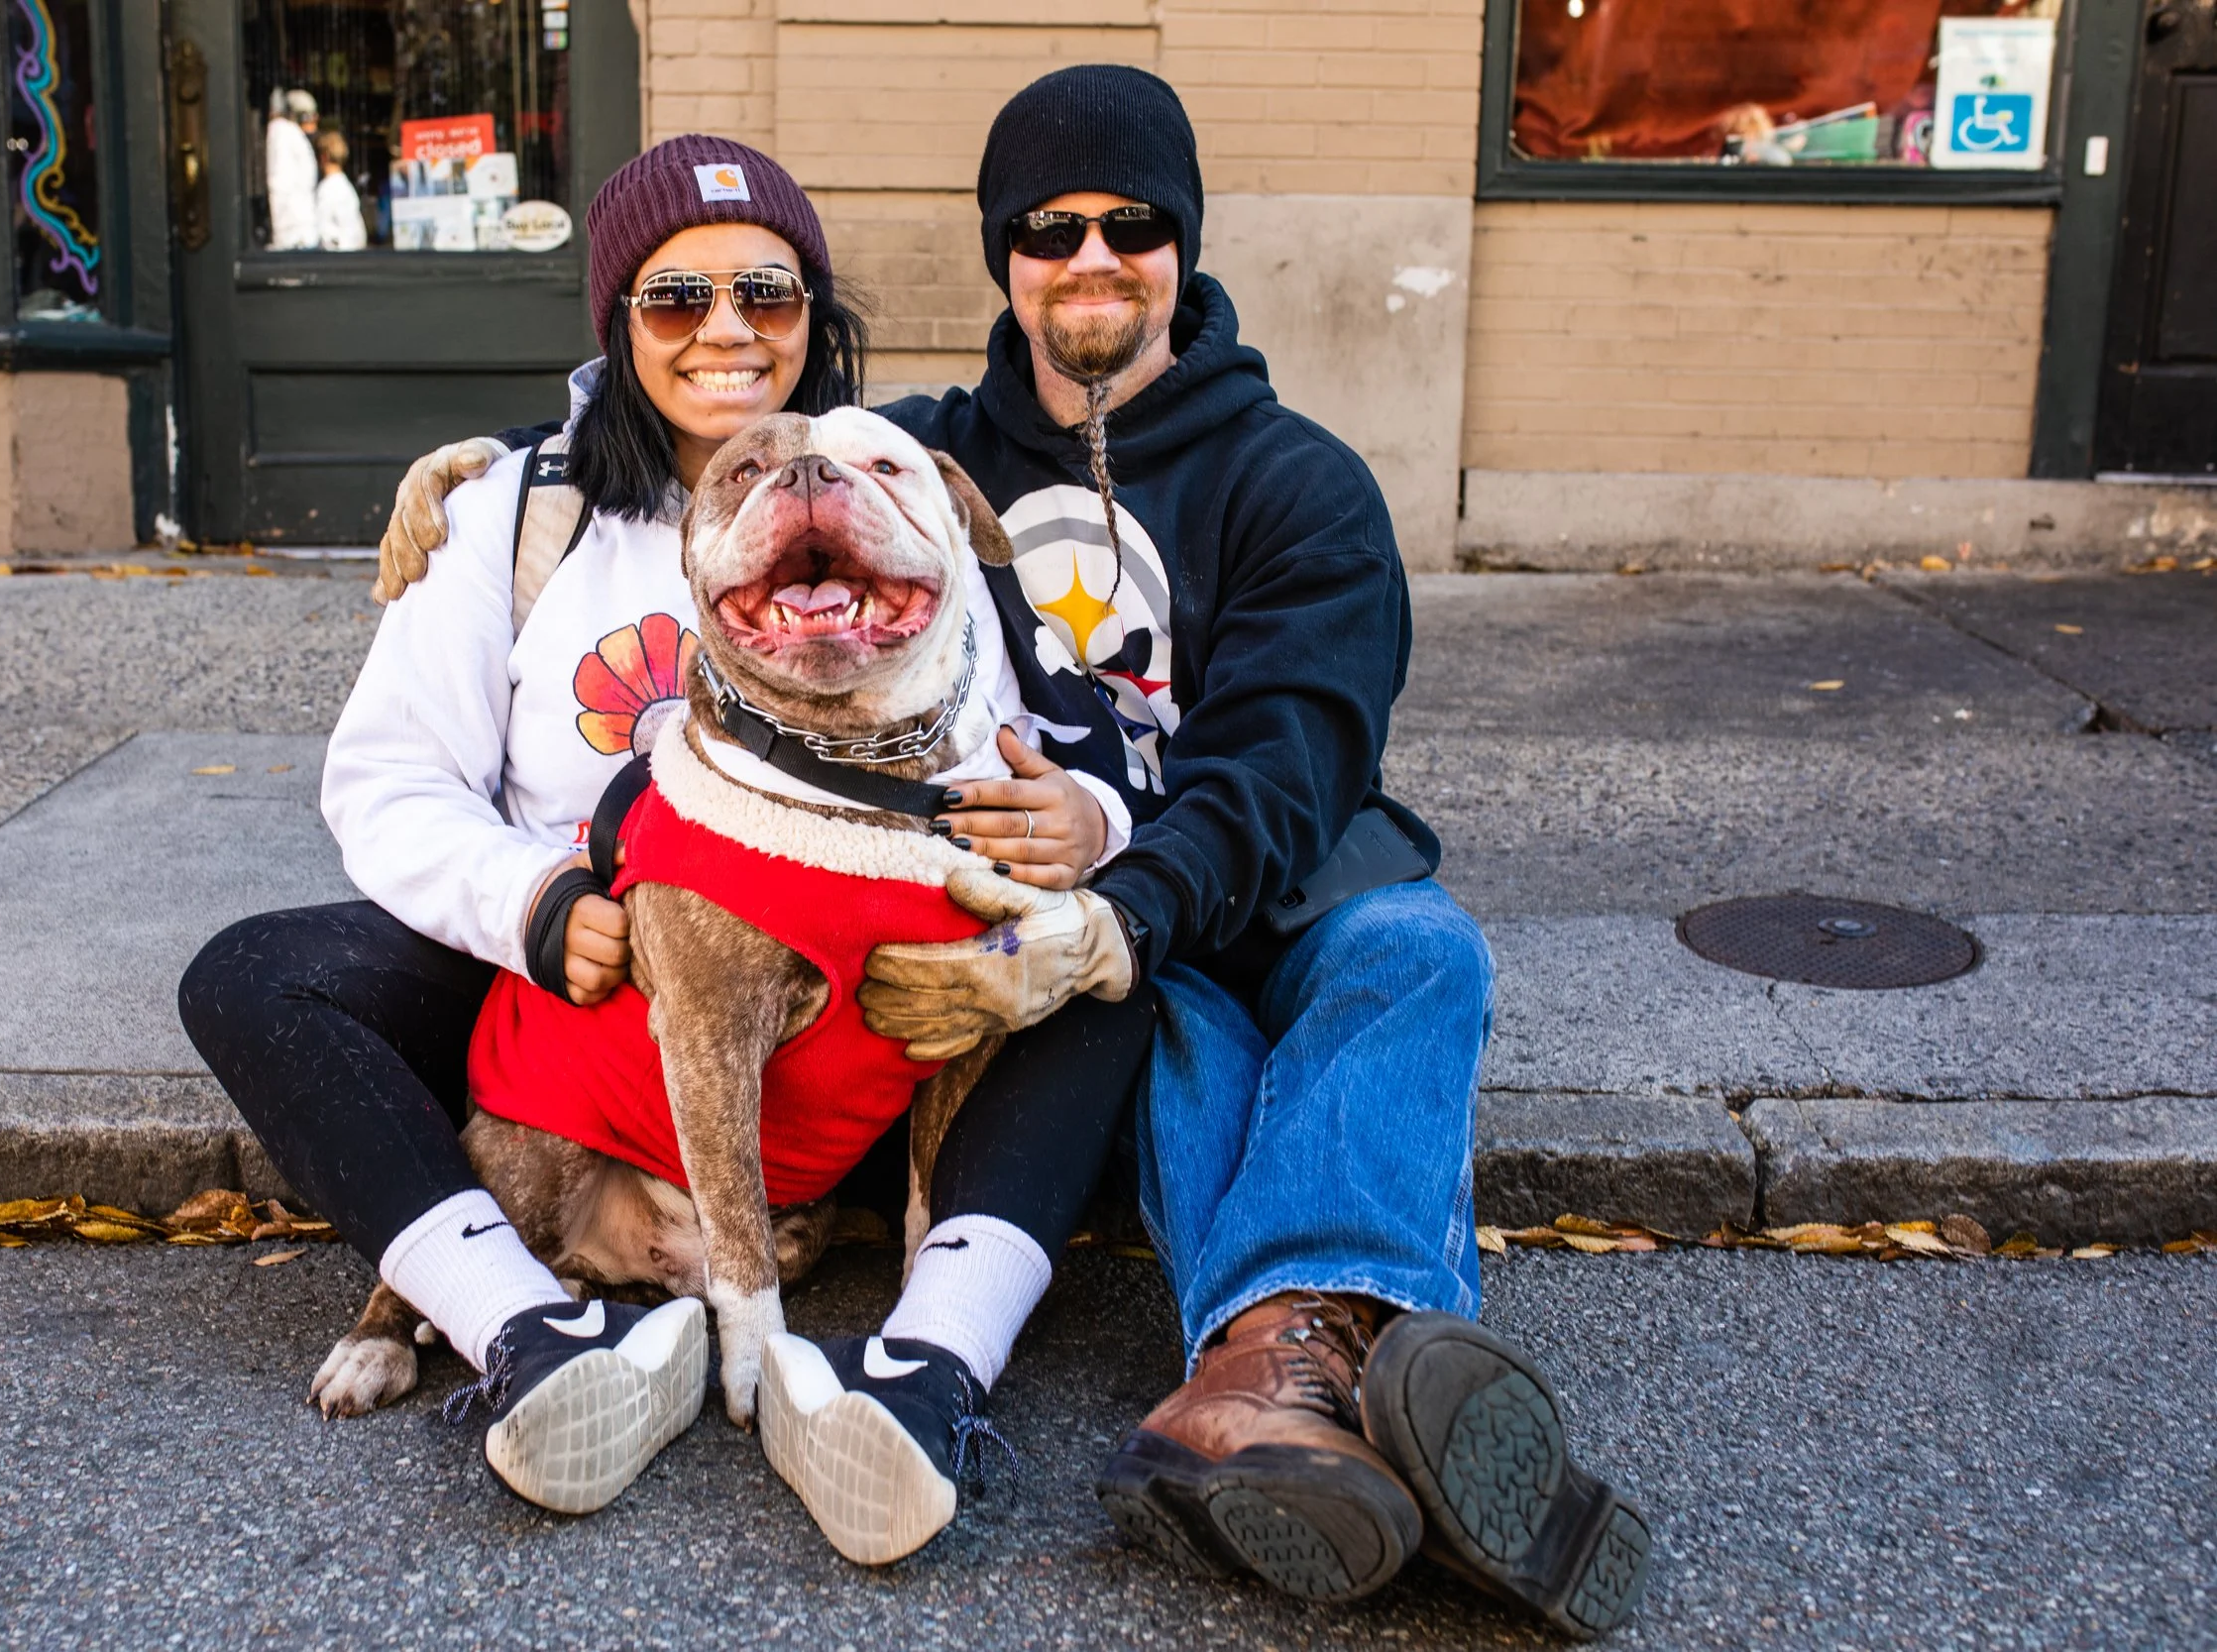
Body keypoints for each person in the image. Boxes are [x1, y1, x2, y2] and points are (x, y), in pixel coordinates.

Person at [376, 70, 1651, 1638]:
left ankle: (1283, 1353)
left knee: (1416, 952)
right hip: (1058, 927)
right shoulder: (915, 450)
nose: (1092, 257)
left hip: (1261, 880)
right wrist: (508, 463)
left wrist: (1122, 892)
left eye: (1133, 225)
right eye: (1051, 229)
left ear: (1184, 244)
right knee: (1150, 1018)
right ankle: (1330, 1374)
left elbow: (1297, 759)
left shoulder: (1299, 481)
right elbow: (729, 450)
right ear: (1007, 257)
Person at [178, 134, 1155, 1565]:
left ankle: (929, 1356)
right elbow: (386, 779)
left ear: (815, 316)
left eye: (766, 292)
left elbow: (1049, 737)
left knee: (1108, 971)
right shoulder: (518, 511)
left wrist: (1092, 819)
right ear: (614, 320)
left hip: (831, 973)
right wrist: (537, 898)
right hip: (574, 964)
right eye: (672, 297)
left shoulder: (883, 490)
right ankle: (519, 1322)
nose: (724, 330)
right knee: (255, 974)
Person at [265, 88, 319, 251]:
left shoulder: (293, 136)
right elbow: (279, 182)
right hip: (293, 231)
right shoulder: (282, 132)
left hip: (299, 230)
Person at [313, 129, 365, 252]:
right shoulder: (348, 188)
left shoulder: (326, 189)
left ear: (323, 157)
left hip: (335, 256)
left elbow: (322, 230)